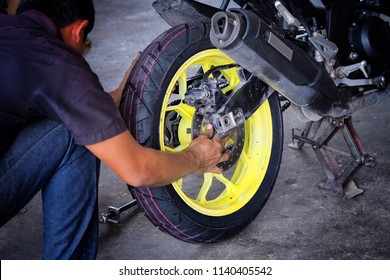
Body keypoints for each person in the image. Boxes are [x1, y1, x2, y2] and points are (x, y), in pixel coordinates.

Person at [0, 0, 230, 259]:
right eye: (86, 44)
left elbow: (63, 101)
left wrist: (121, 93)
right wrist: (196, 157)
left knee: (74, 119)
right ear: (79, 30)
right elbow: (138, 170)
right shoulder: (58, 63)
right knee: (74, 132)